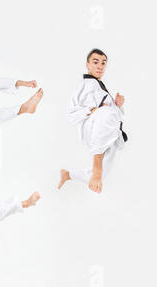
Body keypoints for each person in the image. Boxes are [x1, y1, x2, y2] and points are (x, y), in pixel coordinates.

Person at [58, 49, 127, 193]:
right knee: (106, 113)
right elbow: (70, 114)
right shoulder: (85, 85)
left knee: (104, 173)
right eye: (95, 62)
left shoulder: (100, 86)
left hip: (109, 132)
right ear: (87, 65)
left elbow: (113, 113)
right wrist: (91, 110)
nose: (100, 66)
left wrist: (118, 105)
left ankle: (68, 175)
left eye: (103, 63)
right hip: (94, 129)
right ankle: (97, 167)